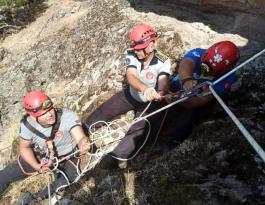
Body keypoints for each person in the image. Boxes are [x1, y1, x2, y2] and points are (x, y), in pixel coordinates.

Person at [83, 23, 171, 169]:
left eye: (139, 49)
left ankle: (116, 157)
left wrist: (160, 93)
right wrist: (145, 89)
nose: (136, 51)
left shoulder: (163, 60)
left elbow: (164, 80)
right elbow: (131, 76)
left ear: (151, 46)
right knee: (106, 109)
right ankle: (84, 131)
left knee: (140, 127)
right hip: (132, 94)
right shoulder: (132, 54)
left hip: (149, 102)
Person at [0, 91, 91, 204]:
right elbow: (24, 148)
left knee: (63, 182)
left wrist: (83, 143)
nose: (50, 114)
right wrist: (37, 166)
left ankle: (33, 200)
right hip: (42, 156)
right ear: (33, 117)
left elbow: (80, 136)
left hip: (67, 157)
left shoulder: (67, 116)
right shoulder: (28, 125)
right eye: (43, 113)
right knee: (4, 175)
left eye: (50, 109)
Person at [163, 40, 240, 148]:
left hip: (192, 101)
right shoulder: (199, 53)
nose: (205, 70)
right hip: (175, 88)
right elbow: (186, 63)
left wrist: (180, 100)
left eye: (209, 69)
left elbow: (202, 100)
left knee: (189, 116)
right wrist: (186, 79)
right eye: (204, 65)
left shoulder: (226, 79)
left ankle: (173, 141)